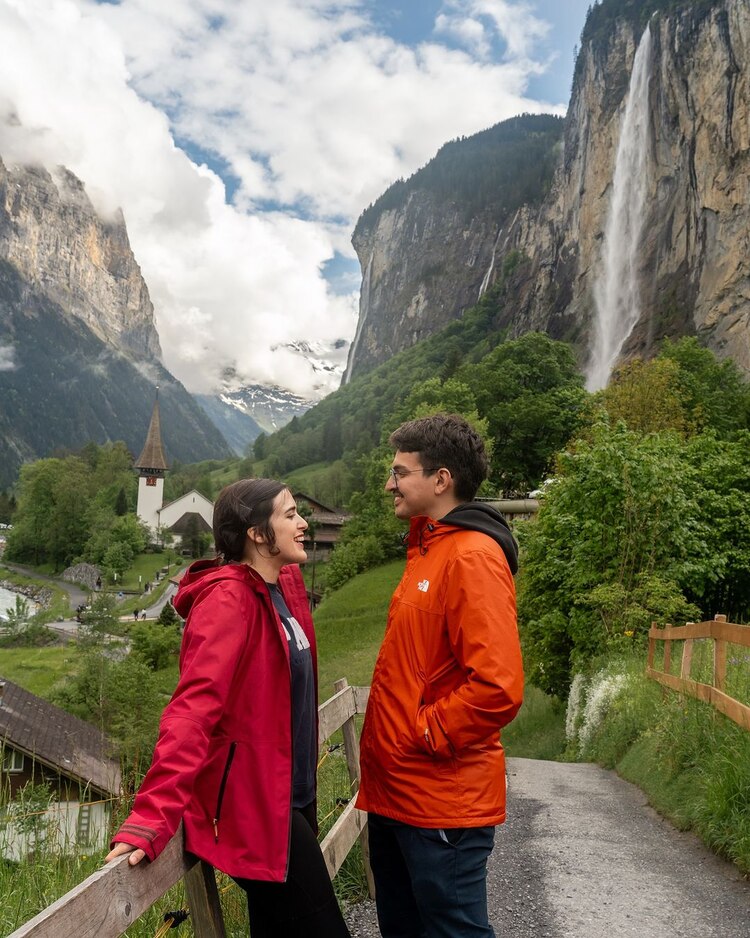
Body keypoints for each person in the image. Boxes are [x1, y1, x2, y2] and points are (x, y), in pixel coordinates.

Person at [105, 478, 351, 938]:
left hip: (287, 796)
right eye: (291, 514)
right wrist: (152, 816)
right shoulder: (229, 599)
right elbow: (192, 710)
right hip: (252, 808)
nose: (303, 524)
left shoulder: (281, 588)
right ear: (258, 534)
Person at [356, 414, 524, 938]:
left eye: (400, 472)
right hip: (398, 795)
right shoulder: (428, 550)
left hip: (439, 801)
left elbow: (497, 687)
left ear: (441, 479)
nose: (389, 484)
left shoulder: (472, 557)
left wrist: (422, 732)